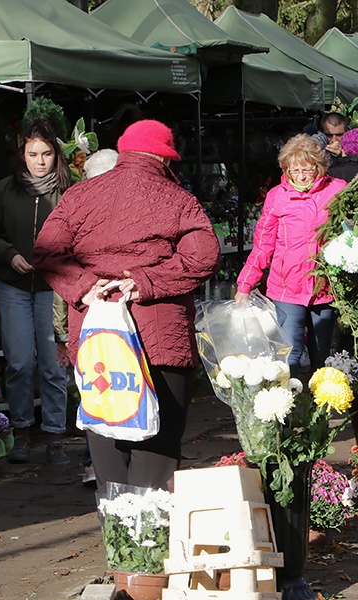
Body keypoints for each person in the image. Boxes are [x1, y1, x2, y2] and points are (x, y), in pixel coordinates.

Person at [33, 120, 221, 491]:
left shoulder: (79, 196)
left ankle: (119, 537)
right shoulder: (178, 199)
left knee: (106, 437)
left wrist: (86, 286)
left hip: (98, 337)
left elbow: (45, 252)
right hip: (160, 337)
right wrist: (146, 280)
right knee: (159, 444)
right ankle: (150, 536)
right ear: (165, 158)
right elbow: (204, 257)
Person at [0, 118, 71, 466]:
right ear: (22, 154)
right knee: (18, 362)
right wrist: (9, 254)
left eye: (46, 153)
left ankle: (56, 435)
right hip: (14, 285)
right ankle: (21, 433)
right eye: (33, 154)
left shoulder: (69, 191)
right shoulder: (4, 190)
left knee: (53, 365)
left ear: (56, 154)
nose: (40, 161)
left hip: (53, 288)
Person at [235, 134, 347, 378]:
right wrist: (245, 284)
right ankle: (291, 410)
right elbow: (263, 244)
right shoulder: (277, 195)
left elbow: (353, 231)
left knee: (322, 356)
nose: (300, 175)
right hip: (286, 287)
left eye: (306, 169)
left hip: (325, 285)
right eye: (294, 170)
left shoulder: (337, 190)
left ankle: (321, 411)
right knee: (289, 354)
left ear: (318, 167)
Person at [51, 148, 120, 487]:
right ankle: (94, 460)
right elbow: (57, 273)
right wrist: (62, 333)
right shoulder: (74, 217)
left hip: (119, 318)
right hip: (88, 318)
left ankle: (107, 461)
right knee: (94, 388)